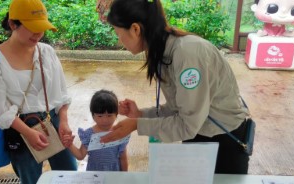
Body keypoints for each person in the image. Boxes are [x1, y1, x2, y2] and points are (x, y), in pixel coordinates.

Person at [100, 0, 252, 174]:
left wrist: (137, 125)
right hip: (200, 133)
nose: (119, 41)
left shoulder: (188, 54)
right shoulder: (163, 51)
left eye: (118, 33)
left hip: (225, 141)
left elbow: (186, 125)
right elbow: (179, 109)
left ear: (135, 29)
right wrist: (142, 114)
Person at [0, 0, 77, 183]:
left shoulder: (47, 52)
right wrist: (27, 132)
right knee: (31, 179)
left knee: (69, 174)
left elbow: (61, 93)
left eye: (42, 27)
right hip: (20, 127)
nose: (39, 33)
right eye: (32, 27)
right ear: (12, 24)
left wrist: (63, 121)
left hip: (52, 121)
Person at [64, 89, 129, 171]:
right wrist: (70, 145)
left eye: (109, 115)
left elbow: (123, 158)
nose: (105, 120)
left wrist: (125, 176)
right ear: (93, 115)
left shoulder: (119, 133)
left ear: (116, 114)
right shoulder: (89, 135)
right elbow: (80, 155)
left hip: (114, 173)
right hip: (94, 174)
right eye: (100, 116)